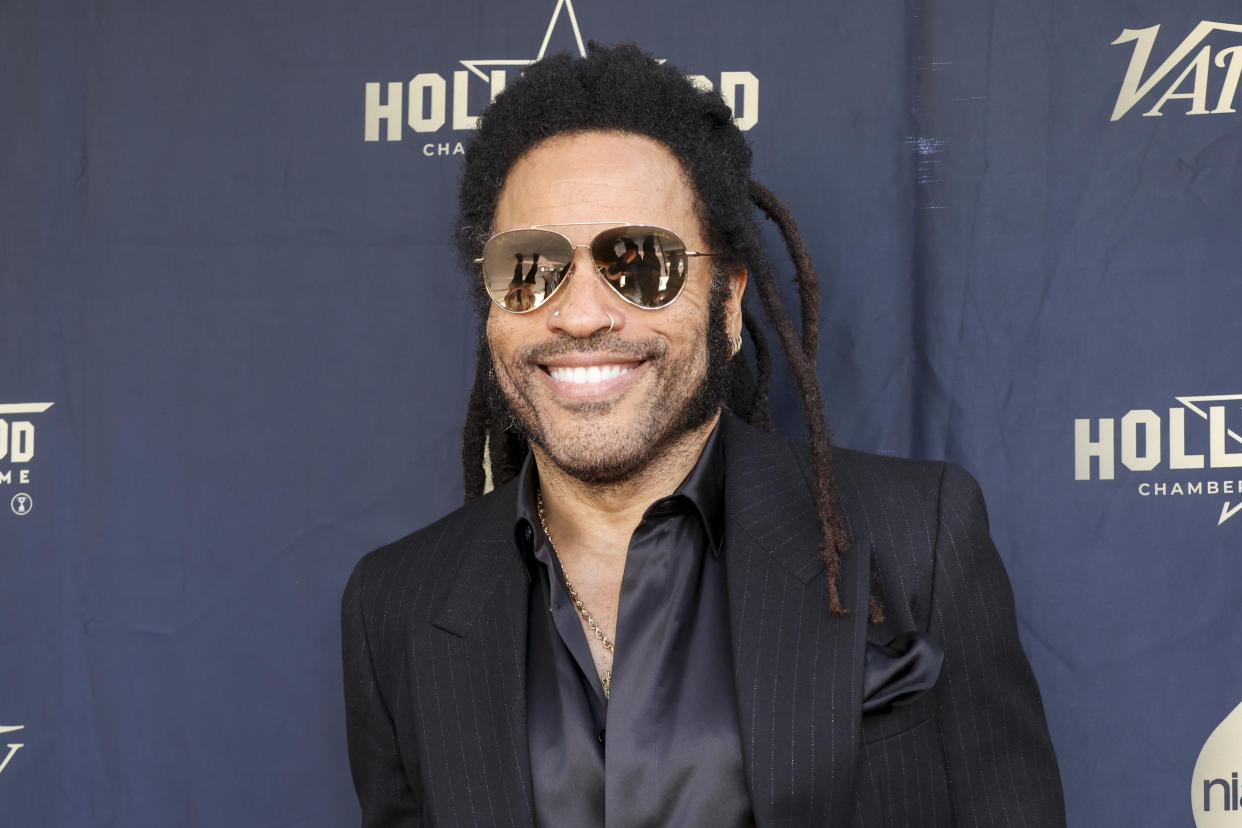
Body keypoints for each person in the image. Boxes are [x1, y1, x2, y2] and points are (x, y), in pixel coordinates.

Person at [342, 43, 1065, 827]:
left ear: (727, 308)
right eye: (531, 265)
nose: (580, 314)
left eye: (640, 263)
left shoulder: (915, 537)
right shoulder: (395, 606)